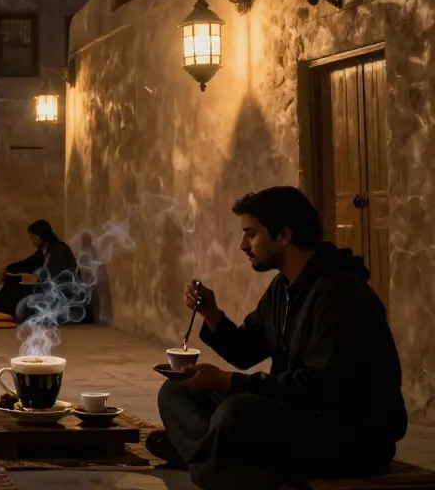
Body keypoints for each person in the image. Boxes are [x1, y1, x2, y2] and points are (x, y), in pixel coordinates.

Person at [150, 186, 407, 490]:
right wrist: (211, 313)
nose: (243, 245)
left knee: (237, 413)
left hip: (350, 434)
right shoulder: (283, 287)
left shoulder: (339, 293)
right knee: (177, 391)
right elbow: (246, 351)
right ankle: (214, 455)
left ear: (284, 235)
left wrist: (226, 381)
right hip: (298, 412)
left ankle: (205, 461)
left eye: (251, 234)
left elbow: (316, 388)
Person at [0, 219, 78, 319]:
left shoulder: (60, 249)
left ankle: (5, 314)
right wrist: (8, 270)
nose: (33, 242)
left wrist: (36, 278)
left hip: (61, 292)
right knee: (13, 280)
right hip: (47, 285)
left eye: (34, 238)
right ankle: (0, 311)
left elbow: (53, 273)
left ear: (41, 236)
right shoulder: (44, 250)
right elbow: (27, 263)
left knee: (18, 285)